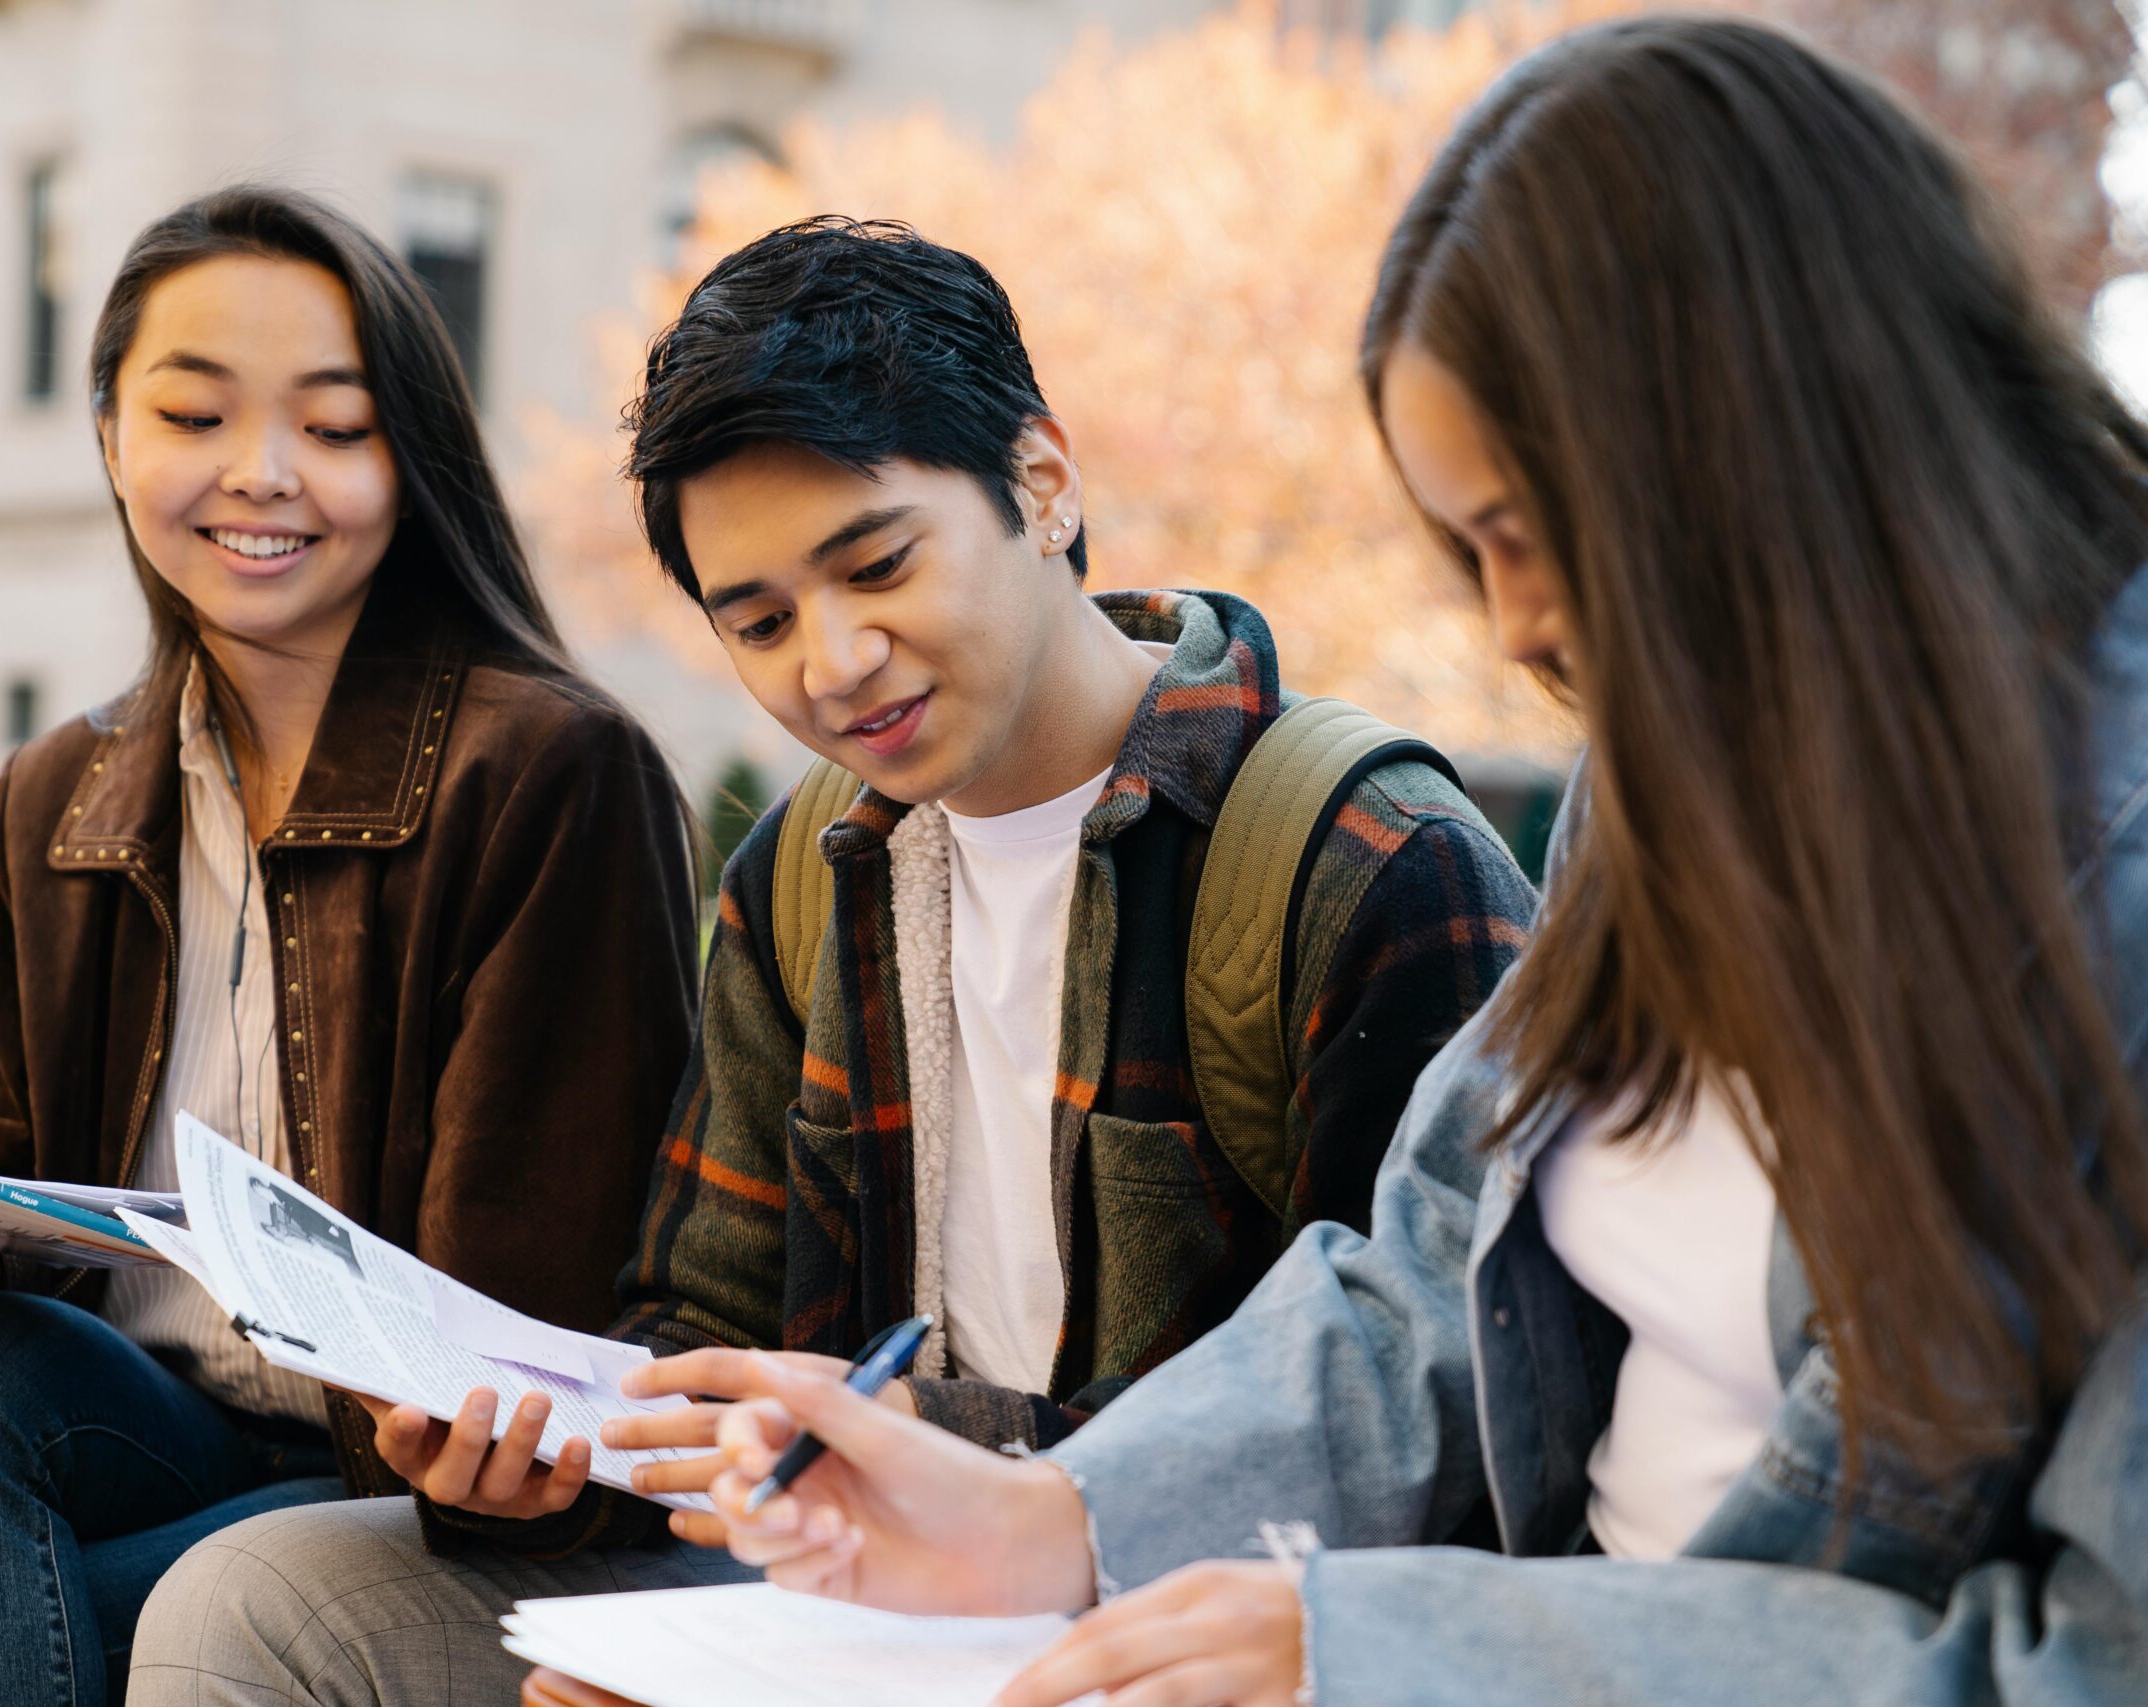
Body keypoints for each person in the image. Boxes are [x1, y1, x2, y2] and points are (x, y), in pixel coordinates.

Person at [700, 18, 2148, 1706]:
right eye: (1469, 556)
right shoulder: (1679, 764)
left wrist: (1395, 1652)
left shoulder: (2102, 885)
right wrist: (1056, 1521)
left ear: (1762, 441)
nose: (1517, 625)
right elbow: (1426, 1276)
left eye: (1534, 535)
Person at [127, 217, 1537, 1705]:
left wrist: (935, 1446)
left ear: (1043, 484)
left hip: (1190, 1625)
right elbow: (702, 1328)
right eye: (759, 619)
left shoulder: (1366, 861)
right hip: (845, 1604)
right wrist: (549, 1456)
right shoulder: (807, 872)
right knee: (259, 1606)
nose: (834, 659)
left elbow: (1440, 1427)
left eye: (878, 565)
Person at [0, 184, 697, 1707]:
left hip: (387, 1480)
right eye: (193, 415)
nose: (261, 475)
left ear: (412, 459)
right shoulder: (55, 798)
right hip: (135, 1429)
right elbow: (31, 1161)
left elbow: (523, 1304)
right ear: (109, 439)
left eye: (337, 428)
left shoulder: (544, 773)